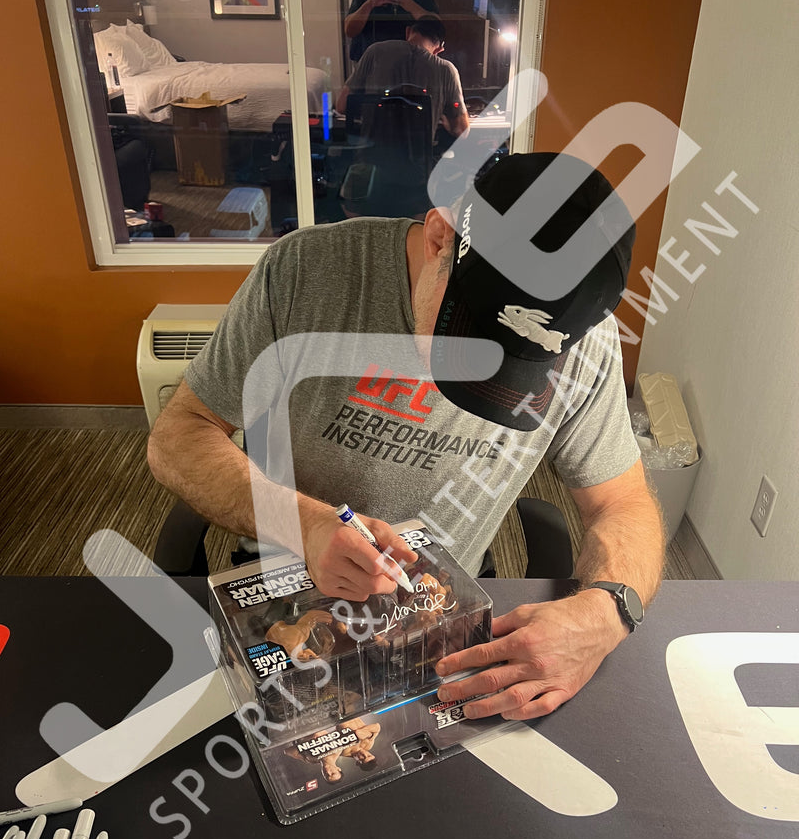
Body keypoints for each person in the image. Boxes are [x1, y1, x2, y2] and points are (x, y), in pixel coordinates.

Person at [148, 152, 665, 723]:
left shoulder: (585, 344)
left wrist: (605, 613)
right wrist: (303, 523)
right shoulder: (304, 273)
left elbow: (623, 503)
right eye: (467, 340)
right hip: (289, 592)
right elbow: (178, 435)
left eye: (514, 364)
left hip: (442, 612)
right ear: (440, 239)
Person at [336, 18, 469, 142]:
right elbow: (462, 131)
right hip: (418, 159)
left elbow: (342, 105)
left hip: (371, 156)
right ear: (438, 50)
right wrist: (444, 117)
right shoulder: (446, 70)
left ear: (408, 32)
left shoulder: (374, 52)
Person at [284, 719, 382, 783]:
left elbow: (287, 751)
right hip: (342, 710)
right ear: (338, 769)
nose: (328, 772)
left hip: (295, 724)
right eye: (369, 755)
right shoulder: (340, 749)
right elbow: (376, 727)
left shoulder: (312, 759)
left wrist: (308, 744)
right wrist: (368, 734)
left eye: (327, 775)